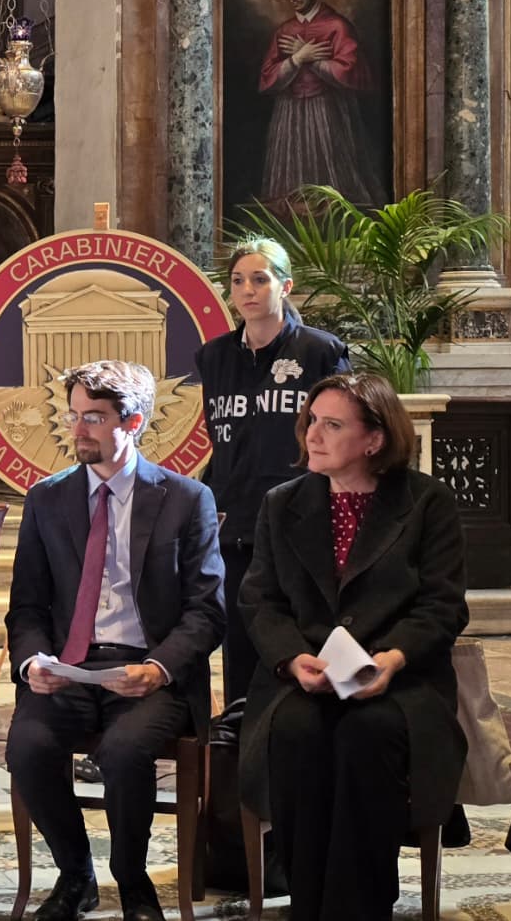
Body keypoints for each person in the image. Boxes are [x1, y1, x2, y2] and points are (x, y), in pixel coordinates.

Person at [239, 373, 469, 921]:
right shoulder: (281, 503)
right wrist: (292, 658)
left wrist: (392, 658)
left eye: (332, 425)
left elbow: (443, 605)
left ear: (374, 439)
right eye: (311, 421)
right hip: (305, 675)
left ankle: (361, 907)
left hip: (401, 679)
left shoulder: (427, 502)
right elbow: (261, 601)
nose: (313, 435)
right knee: (296, 732)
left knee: (368, 734)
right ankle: (308, 904)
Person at [5, 361, 225, 921]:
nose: (77, 429)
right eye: (73, 415)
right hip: (70, 666)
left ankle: (133, 882)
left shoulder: (185, 498)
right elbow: (26, 605)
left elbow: (207, 610)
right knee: (27, 746)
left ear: (134, 422)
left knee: (125, 753)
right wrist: (32, 663)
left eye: (94, 418)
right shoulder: (47, 498)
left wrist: (159, 668)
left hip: (148, 669)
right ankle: (75, 875)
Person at [195, 237, 349, 709]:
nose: (248, 290)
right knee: (242, 640)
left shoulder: (321, 351)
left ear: (286, 286)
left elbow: (343, 435)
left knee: (303, 638)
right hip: (237, 520)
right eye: (238, 280)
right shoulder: (213, 357)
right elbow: (219, 437)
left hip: (304, 519)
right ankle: (242, 735)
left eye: (260, 279)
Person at [257, 0, 384, 207]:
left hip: (328, 109)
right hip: (289, 112)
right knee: (289, 190)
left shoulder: (338, 26)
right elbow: (267, 79)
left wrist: (312, 60)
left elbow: (351, 72)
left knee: (332, 184)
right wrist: (297, 59)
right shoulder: (284, 31)